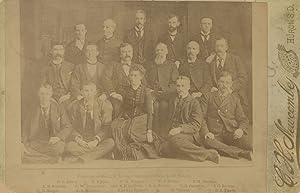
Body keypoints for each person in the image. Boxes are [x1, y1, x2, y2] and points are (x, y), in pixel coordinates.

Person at [161, 76, 220, 163]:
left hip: (189, 134)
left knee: (176, 142)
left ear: (188, 87)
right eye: (178, 86)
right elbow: (160, 95)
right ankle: (186, 152)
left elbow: (196, 125)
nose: (180, 88)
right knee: (163, 149)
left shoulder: (194, 102)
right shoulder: (173, 98)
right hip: (172, 133)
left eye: (183, 86)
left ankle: (208, 154)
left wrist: (180, 129)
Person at [111, 64, 161, 160]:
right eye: (131, 75)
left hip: (142, 118)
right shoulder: (126, 90)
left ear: (141, 77)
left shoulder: (146, 91)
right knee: (115, 126)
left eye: (135, 76)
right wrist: (121, 117)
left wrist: (149, 131)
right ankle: (125, 151)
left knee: (131, 133)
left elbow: (150, 113)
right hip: (128, 118)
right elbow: (124, 107)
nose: (133, 78)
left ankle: (134, 152)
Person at [204, 71, 252, 159]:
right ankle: (241, 153)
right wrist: (207, 132)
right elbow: (202, 118)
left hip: (231, 133)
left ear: (231, 84)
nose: (224, 85)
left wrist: (240, 130)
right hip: (215, 134)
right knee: (208, 141)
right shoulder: (209, 96)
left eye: (227, 82)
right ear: (218, 82)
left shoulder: (235, 99)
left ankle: (224, 149)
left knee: (249, 144)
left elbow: (243, 119)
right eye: (222, 82)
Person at [65, 82, 115, 162]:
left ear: (95, 92)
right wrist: (79, 140)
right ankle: (99, 154)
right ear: (81, 92)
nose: (89, 93)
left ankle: (84, 157)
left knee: (111, 143)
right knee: (69, 146)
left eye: (92, 90)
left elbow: (107, 126)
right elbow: (72, 126)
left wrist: (96, 141)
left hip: (97, 140)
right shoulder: (75, 106)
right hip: (83, 140)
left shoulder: (104, 105)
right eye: (86, 91)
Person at [22, 84, 72, 164]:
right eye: (42, 94)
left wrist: (58, 137)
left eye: (47, 94)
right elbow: (25, 128)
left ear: (51, 94)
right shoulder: (32, 109)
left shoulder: (58, 108)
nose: (44, 97)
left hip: (53, 142)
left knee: (58, 149)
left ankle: (37, 157)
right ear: (38, 94)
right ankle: (52, 159)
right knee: (25, 149)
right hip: (37, 141)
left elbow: (68, 126)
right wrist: (23, 143)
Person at [102, 43, 146, 117]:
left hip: (134, 95)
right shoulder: (113, 65)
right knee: (117, 107)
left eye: (129, 51)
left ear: (132, 53)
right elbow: (105, 79)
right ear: (120, 54)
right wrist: (113, 93)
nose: (127, 54)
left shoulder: (137, 66)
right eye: (124, 52)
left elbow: (144, 82)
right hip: (118, 95)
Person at [208, 37, 249, 116]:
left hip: (233, 91)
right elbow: (207, 79)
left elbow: (243, 78)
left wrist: (231, 88)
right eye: (217, 46)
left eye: (222, 46)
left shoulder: (235, 59)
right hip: (217, 93)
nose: (219, 48)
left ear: (226, 47)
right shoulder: (210, 62)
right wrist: (212, 87)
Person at [147, 43, 178, 136]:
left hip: (166, 95)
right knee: (155, 106)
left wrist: (166, 92)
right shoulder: (150, 65)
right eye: (157, 50)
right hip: (153, 94)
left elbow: (174, 83)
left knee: (164, 106)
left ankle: (163, 134)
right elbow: (145, 80)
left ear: (167, 52)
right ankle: (154, 133)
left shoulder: (172, 65)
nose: (160, 53)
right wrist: (150, 90)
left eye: (162, 50)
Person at [179, 41, 212, 112]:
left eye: (194, 49)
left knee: (200, 107)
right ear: (186, 50)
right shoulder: (181, 65)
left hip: (200, 94)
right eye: (189, 48)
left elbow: (208, 83)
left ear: (198, 51)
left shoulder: (204, 65)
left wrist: (199, 93)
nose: (191, 51)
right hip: (185, 93)